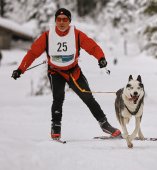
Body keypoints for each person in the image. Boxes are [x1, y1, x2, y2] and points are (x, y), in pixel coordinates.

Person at [11, 8, 121, 140]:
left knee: (88, 97)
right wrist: (20, 69)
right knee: (58, 98)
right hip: (55, 72)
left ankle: (104, 124)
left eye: (65, 20)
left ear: (69, 21)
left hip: (74, 72)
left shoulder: (77, 34)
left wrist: (101, 58)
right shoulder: (47, 36)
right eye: (59, 19)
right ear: (55, 21)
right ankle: (56, 127)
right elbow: (33, 53)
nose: (61, 22)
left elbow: (92, 47)